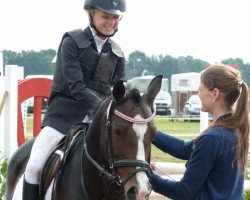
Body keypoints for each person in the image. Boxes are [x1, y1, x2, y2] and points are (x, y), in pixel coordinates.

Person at [22, 0, 126, 199]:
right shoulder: (71, 41)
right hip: (63, 116)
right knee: (35, 166)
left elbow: (118, 91)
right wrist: (102, 107)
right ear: (91, 14)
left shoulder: (118, 53)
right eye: (105, 16)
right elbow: (76, 87)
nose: (111, 22)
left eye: (115, 17)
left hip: (98, 121)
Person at [149, 63, 249, 200]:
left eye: (200, 89)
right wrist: (150, 131)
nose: (198, 94)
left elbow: (182, 192)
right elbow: (186, 149)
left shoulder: (213, 138)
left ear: (215, 93)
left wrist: (144, 174)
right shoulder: (236, 129)